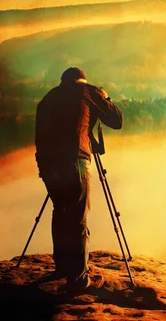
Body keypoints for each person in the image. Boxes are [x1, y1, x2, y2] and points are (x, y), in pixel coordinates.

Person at [35, 67, 123, 293]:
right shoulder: (87, 92)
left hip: (47, 165)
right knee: (78, 217)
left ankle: (64, 266)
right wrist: (105, 98)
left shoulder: (48, 98)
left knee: (60, 211)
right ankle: (80, 279)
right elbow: (116, 120)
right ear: (82, 81)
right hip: (76, 161)